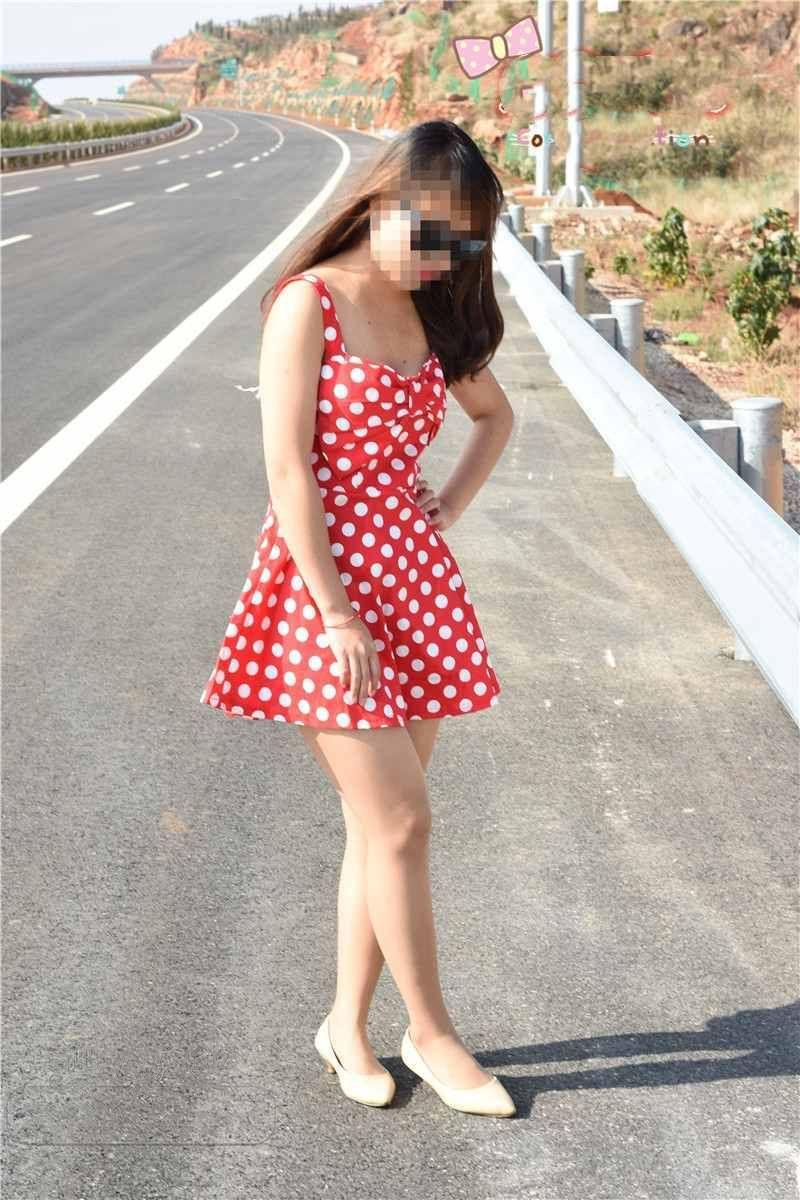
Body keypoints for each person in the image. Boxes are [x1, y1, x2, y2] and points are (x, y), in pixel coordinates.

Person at [200, 120, 516, 1116]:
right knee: (402, 821)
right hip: (322, 596)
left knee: (379, 832)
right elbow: (288, 471)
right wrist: (337, 613)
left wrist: (447, 505)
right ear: (382, 200)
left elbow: (495, 416)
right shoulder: (309, 304)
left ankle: (346, 1027)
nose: (442, 255)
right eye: (429, 230)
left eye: (462, 241)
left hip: (413, 590)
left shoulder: (431, 311)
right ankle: (432, 1034)